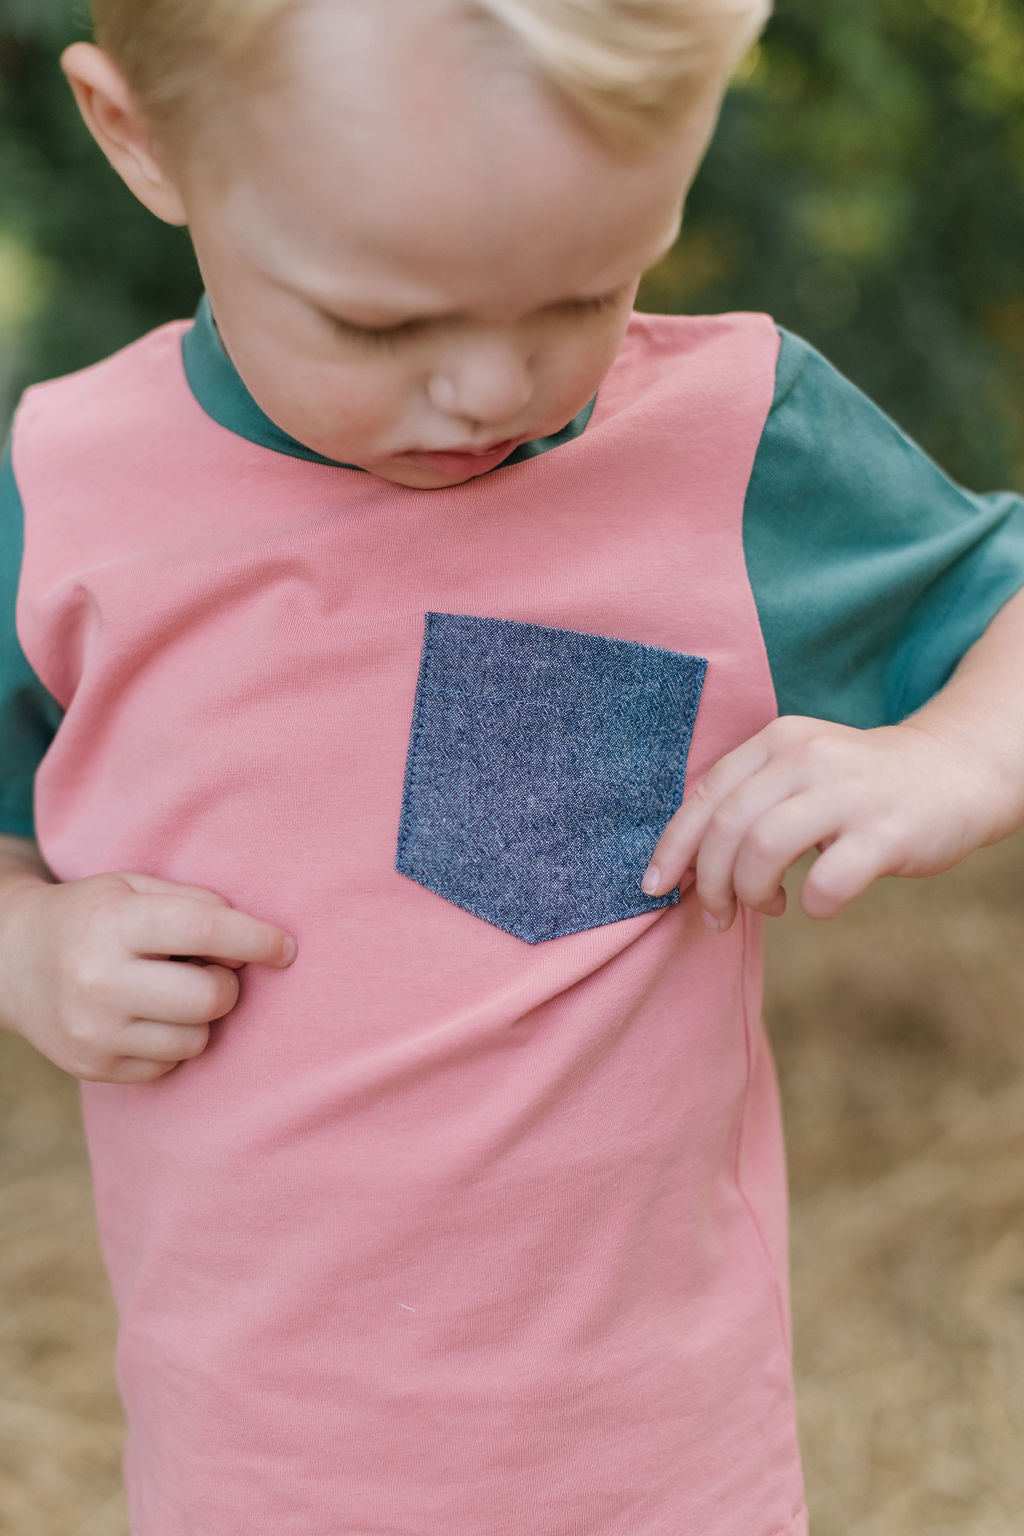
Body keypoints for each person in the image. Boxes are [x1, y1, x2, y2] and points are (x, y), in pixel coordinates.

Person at [1, 0, 1023, 1531]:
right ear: (143, 139)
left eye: (583, 293)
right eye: (383, 322)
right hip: (254, 1474)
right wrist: (24, 939)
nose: (489, 388)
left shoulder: (728, 440)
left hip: (663, 1474)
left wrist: (949, 755)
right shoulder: (65, 493)